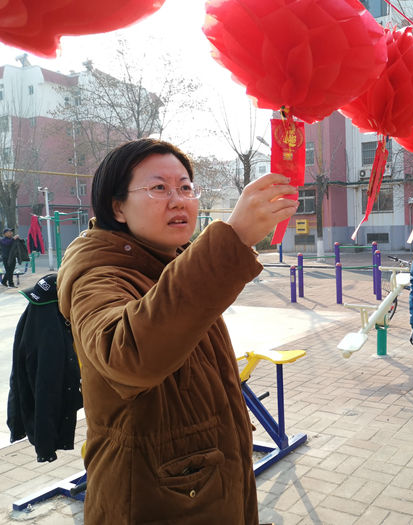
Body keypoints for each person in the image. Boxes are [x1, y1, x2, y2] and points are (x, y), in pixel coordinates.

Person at [57, 138, 298, 524]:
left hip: (211, 488)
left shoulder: (174, 263)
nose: (178, 200)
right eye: (159, 188)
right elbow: (127, 356)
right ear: (117, 207)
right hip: (153, 500)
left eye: (186, 187)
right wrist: (231, 238)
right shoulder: (97, 275)